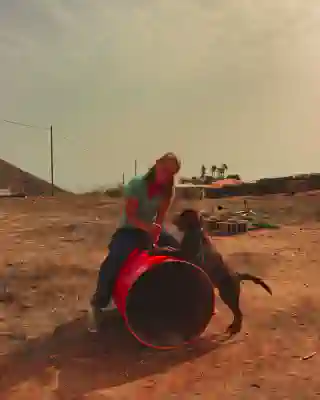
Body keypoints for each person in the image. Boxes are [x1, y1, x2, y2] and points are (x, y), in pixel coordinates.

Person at [88, 152, 181, 332]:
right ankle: (98, 305)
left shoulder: (168, 191)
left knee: (178, 249)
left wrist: (154, 243)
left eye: (171, 173)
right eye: (164, 169)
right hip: (130, 229)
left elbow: (160, 219)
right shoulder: (137, 184)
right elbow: (130, 215)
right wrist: (148, 230)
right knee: (116, 258)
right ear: (156, 164)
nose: (166, 175)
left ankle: (187, 298)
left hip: (150, 230)